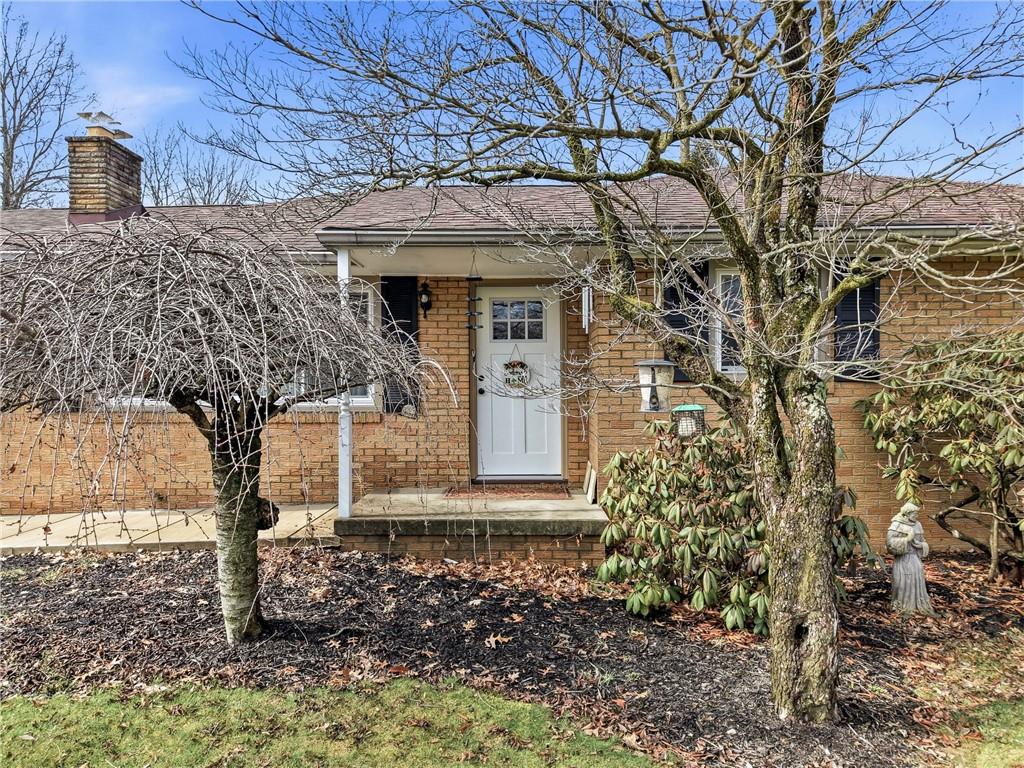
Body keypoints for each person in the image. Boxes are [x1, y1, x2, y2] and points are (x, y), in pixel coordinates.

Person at [885, 501, 936, 615]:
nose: (916, 516)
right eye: (914, 514)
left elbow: (923, 541)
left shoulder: (918, 524)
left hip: (914, 559)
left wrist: (922, 545)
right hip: (902, 559)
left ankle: (916, 605)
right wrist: (907, 539)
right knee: (903, 582)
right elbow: (889, 544)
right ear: (907, 514)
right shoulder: (897, 524)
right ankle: (902, 605)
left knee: (916, 582)